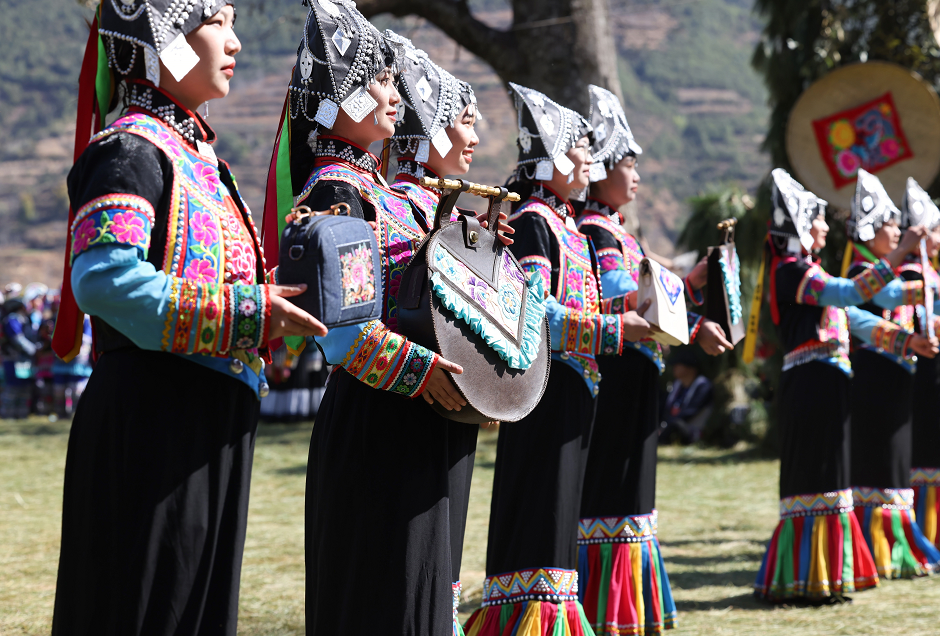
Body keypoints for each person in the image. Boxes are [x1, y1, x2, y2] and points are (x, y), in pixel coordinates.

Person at [50, 3, 327, 634]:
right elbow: (104, 279)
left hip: (206, 427)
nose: (235, 41)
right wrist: (247, 313)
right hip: (152, 424)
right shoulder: (131, 150)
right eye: (217, 23)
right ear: (166, 38)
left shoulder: (203, 164)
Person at [266, 7, 485, 633]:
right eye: (378, 81)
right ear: (343, 93)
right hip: (375, 423)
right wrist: (424, 371)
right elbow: (341, 330)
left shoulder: (383, 196)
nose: (394, 97)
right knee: (382, 601)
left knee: (414, 600)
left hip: (408, 417)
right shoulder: (339, 192)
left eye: (393, 81)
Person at [463, 83, 652, 636]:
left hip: (573, 388)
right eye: (578, 149)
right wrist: (613, 330)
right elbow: (533, 313)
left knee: (558, 523)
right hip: (545, 390)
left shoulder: (560, 224)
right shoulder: (534, 223)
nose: (590, 160)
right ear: (546, 160)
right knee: (540, 521)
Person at [572, 85, 730, 635]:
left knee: (629, 496)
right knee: (615, 495)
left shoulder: (615, 231)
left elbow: (646, 295)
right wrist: (689, 309)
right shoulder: (596, 231)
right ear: (601, 170)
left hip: (634, 376)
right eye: (629, 165)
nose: (637, 177)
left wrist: (690, 288)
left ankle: (619, 605)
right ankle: (607, 608)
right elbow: (625, 296)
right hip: (617, 376)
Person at [752, 168, 933, 603]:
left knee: (832, 482)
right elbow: (855, 293)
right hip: (811, 386)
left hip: (828, 385)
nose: (825, 227)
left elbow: (858, 322)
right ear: (798, 226)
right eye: (817, 220)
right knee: (815, 480)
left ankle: (826, 575)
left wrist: (908, 339)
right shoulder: (794, 273)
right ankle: (804, 578)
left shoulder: (807, 273)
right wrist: (900, 256)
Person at [384, 32, 498, 634]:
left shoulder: (449, 217)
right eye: (464, 122)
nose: (476, 138)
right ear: (428, 127)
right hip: (396, 415)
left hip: (444, 412)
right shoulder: (388, 206)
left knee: (440, 580)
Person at [845, 169, 940, 578]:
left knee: (895, 465)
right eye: (890, 224)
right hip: (873, 378)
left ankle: (896, 543)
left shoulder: (896, 272)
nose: (897, 230)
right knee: (878, 464)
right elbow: (879, 300)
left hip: (897, 376)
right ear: (869, 230)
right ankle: (877, 547)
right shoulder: (858, 273)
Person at [902, 178, 940, 548]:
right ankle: (927, 531)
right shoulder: (913, 276)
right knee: (928, 451)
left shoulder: (928, 274)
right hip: (924, 371)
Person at [660, 348, 714, 445]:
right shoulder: (677, 385)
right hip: (672, 426)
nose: (674, 368)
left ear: (690, 368)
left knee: (677, 425)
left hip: (692, 430)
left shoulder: (703, 386)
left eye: (678, 364)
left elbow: (690, 411)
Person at [1, 295, 38, 419]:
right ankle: (8, 415)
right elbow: (17, 338)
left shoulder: (25, 319)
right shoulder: (11, 319)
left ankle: (22, 414)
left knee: (25, 387)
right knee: (13, 387)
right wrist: (33, 349)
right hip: (13, 359)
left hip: (24, 360)